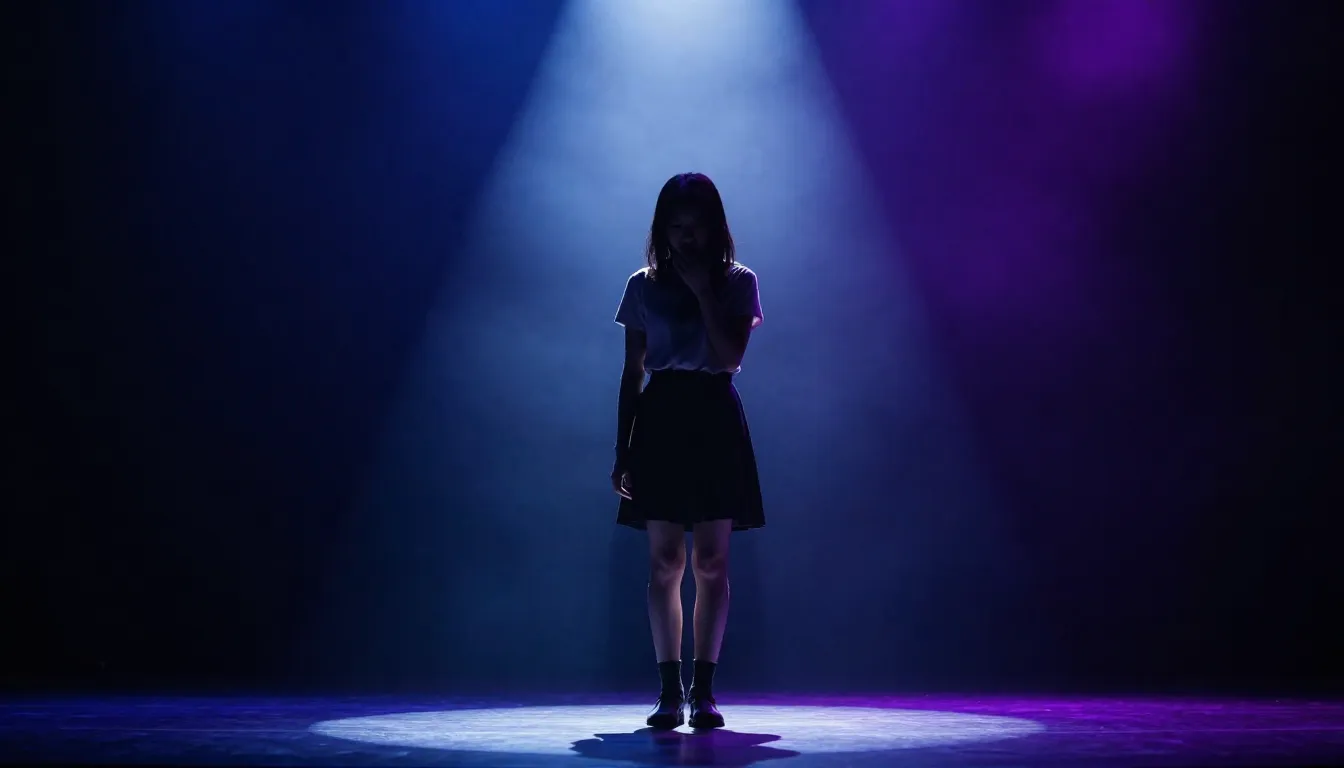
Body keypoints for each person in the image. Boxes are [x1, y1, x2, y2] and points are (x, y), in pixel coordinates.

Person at [611, 172, 765, 730]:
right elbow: (632, 373)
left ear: (714, 228)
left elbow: (730, 357)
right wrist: (622, 448)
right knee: (665, 561)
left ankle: (704, 691)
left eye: (695, 227)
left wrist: (702, 291)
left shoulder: (738, 282)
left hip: (713, 412)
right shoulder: (643, 285)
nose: (685, 237)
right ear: (662, 230)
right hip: (662, 416)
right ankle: (668, 690)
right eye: (676, 227)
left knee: (711, 561)